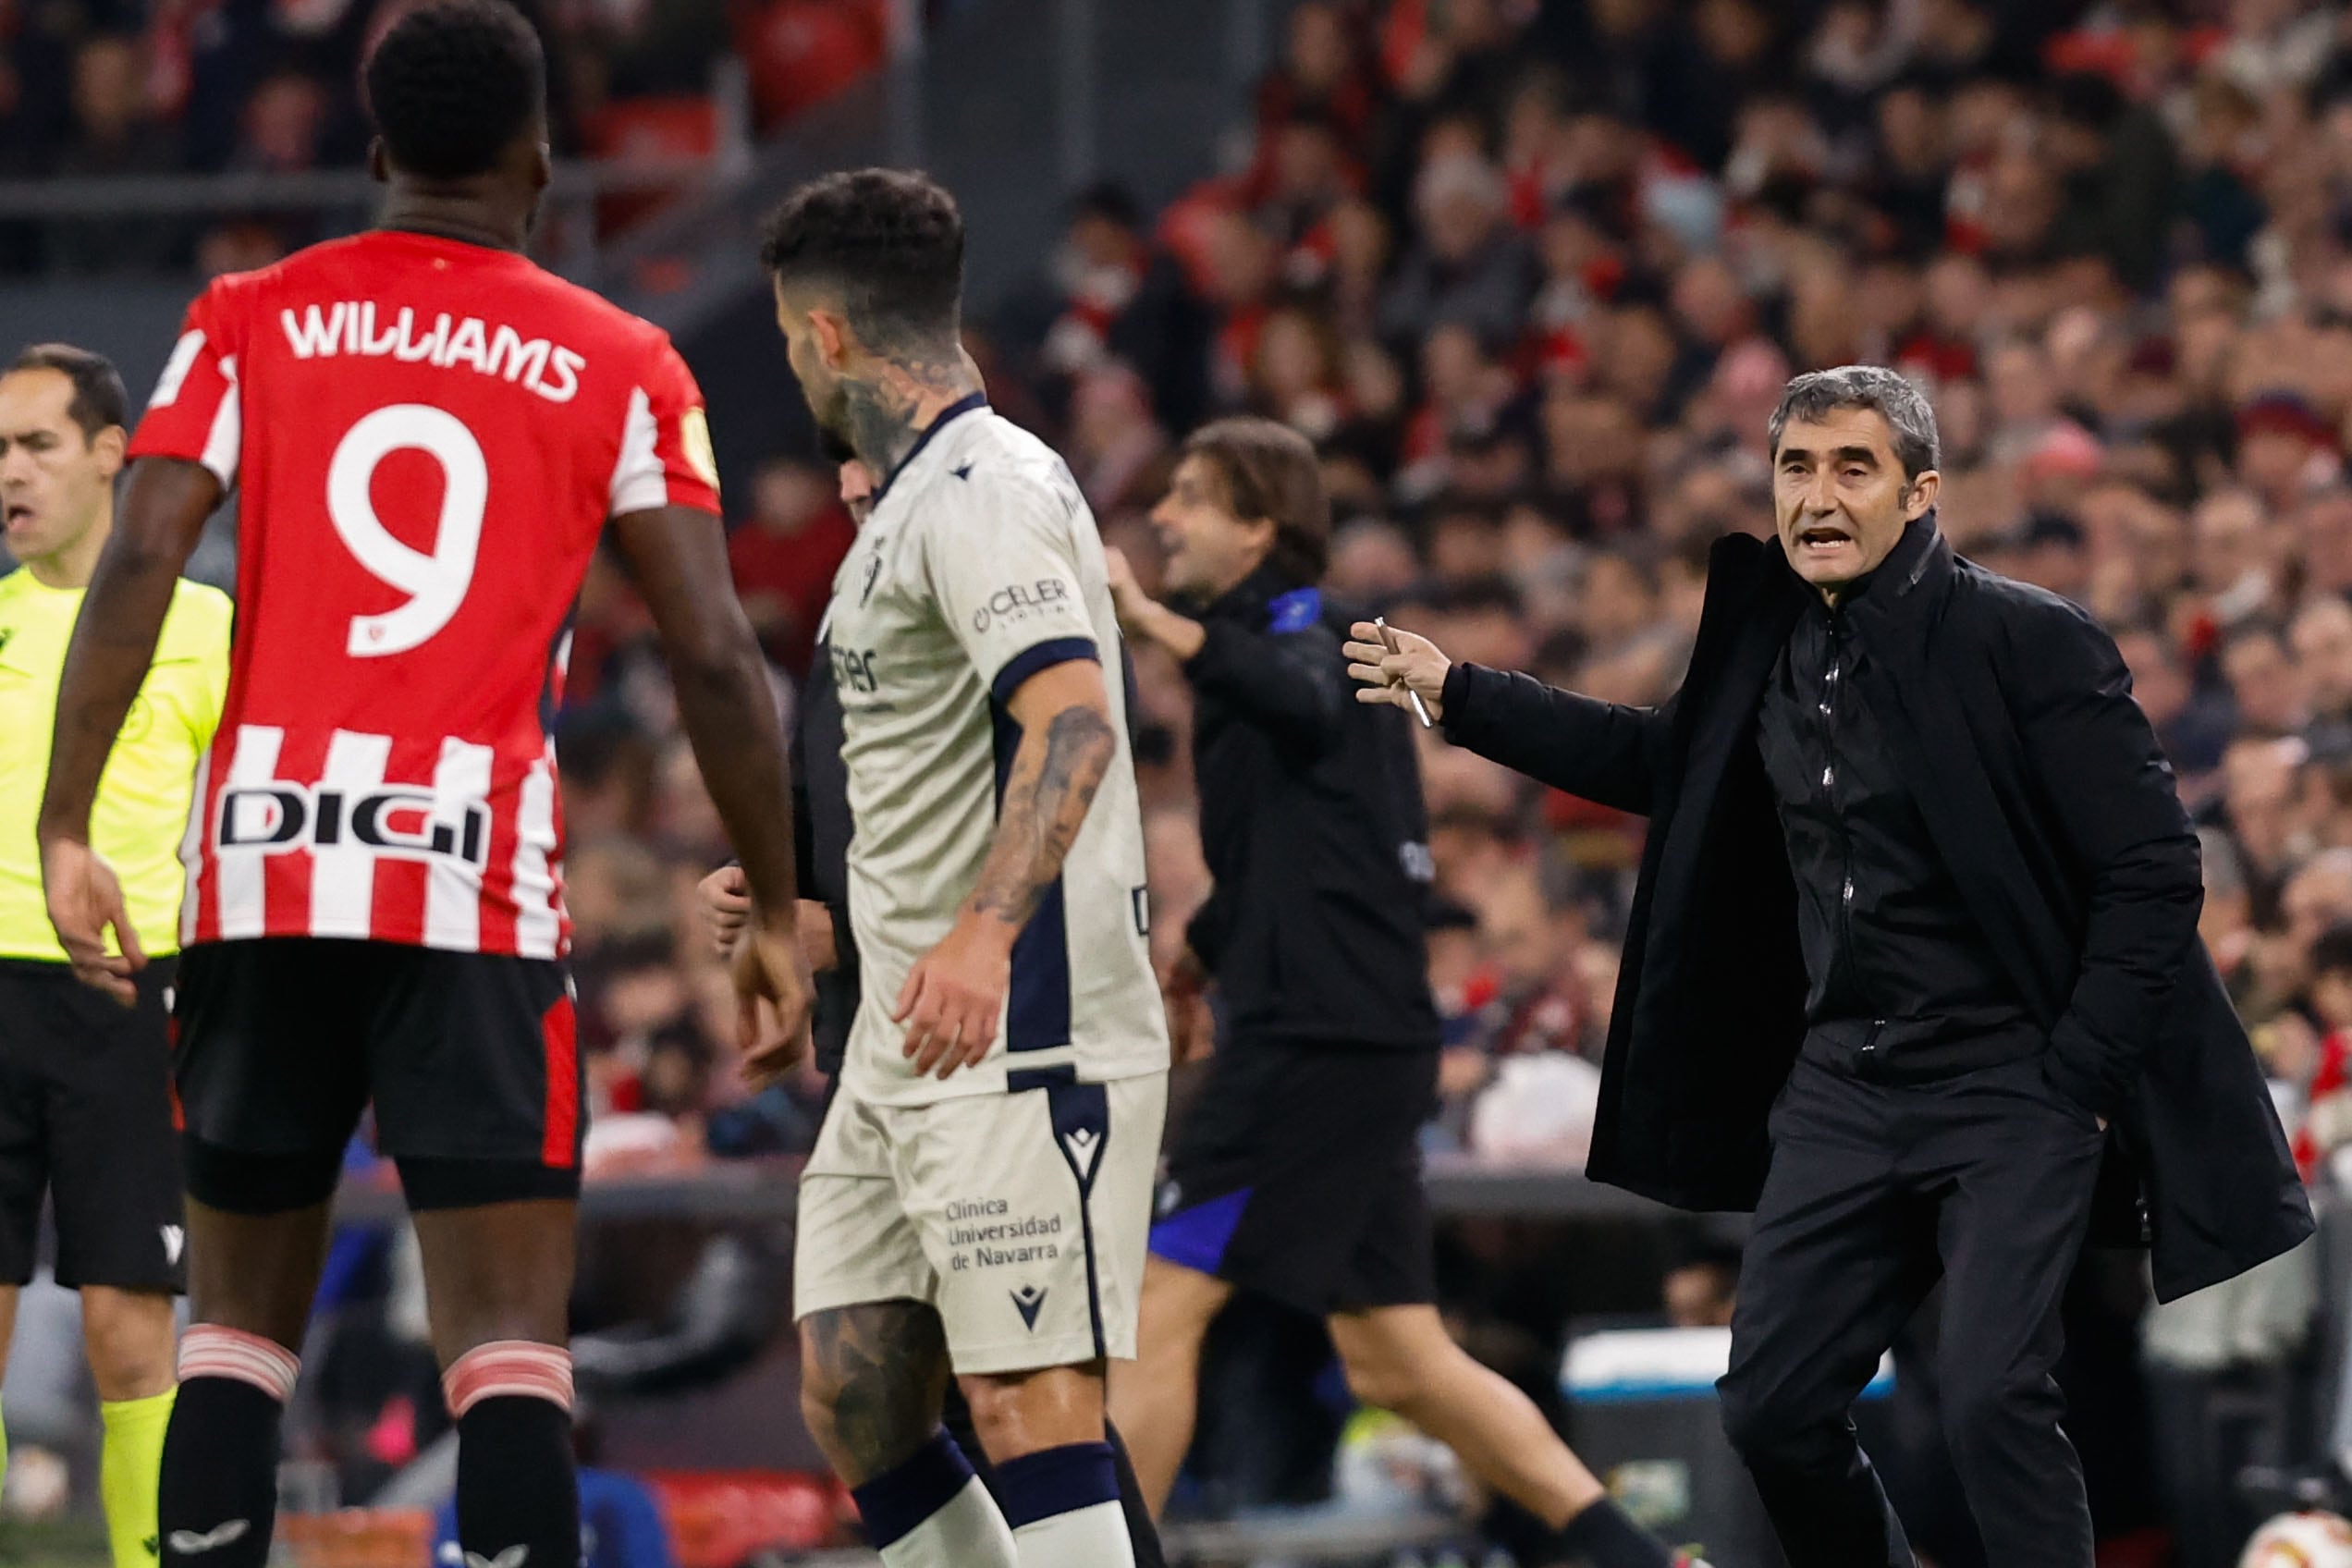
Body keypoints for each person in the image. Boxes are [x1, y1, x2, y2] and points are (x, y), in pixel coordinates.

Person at [34, 6, 814, 1566]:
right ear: (540, 159)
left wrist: (65, 817)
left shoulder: (250, 314)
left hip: (258, 863)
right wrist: (777, 903)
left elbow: (135, 556)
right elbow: (719, 659)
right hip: (468, 874)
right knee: (509, 1342)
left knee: (234, 1338)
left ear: (377, 151)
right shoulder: (622, 358)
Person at [1350, 363, 2314, 1568]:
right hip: (1845, 1087)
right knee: (1771, 1408)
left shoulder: (2030, 640)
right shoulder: (1766, 639)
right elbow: (1665, 764)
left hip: (2013, 1080)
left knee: (1988, 1396)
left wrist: (2075, 1073)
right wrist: (1463, 694)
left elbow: (2157, 872)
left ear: (1920, 494)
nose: (1816, 494)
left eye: (1852, 467)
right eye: (1795, 467)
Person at [1097, 415, 1682, 1568]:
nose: (1162, 518)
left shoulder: (1303, 624)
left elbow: (1308, 695)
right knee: (1398, 1361)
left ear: (1260, 524)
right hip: (1351, 1042)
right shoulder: (1248, 648)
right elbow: (1293, 846)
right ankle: (1642, 1560)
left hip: (1313, 1048)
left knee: (1163, 1301)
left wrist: (1149, 623)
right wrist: (1203, 950)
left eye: (1190, 498)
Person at [760, 166, 1170, 1568]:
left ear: (825, 337)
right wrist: (808, 915)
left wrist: (986, 936)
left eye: (783, 340)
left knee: (1028, 1396)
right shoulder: (903, 511)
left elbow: (1073, 722)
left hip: (1020, 1018)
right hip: (902, 1038)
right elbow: (913, 772)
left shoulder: (991, 489)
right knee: (856, 1383)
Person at [0, 343, 225, 1568]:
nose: (9, 474)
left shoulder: (203, 626)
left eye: (36, 445)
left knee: (132, 1330)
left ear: (108, 456)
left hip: (133, 1000)